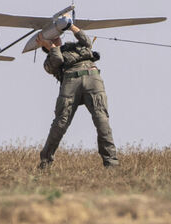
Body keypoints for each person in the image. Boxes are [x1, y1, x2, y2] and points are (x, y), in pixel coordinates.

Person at [36, 24, 119, 169]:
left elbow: (87, 41)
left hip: (92, 77)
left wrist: (70, 26)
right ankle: (45, 162)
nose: (57, 39)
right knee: (61, 123)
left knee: (102, 120)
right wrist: (50, 46)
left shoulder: (75, 46)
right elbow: (58, 61)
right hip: (71, 80)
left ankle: (111, 163)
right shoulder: (49, 60)